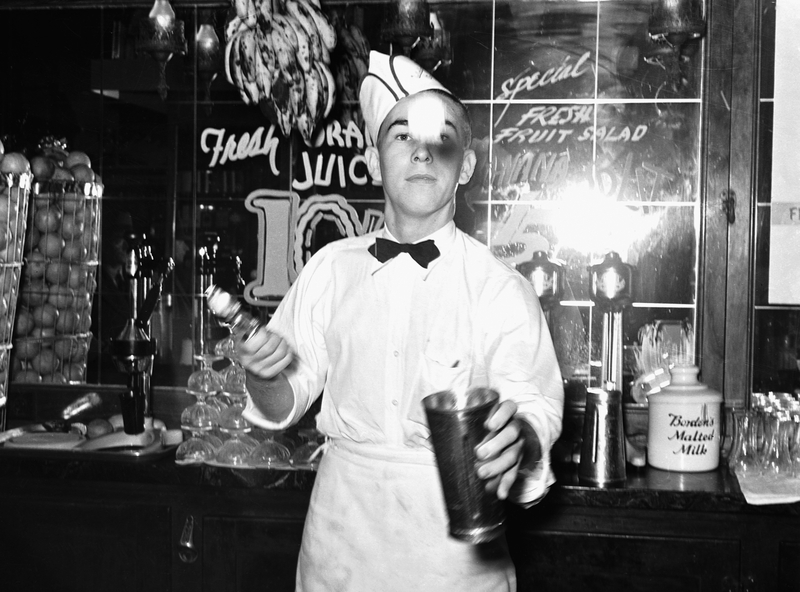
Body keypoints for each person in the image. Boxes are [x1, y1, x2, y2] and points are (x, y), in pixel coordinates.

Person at [236, 51, 564, 592]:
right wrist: (263, 374)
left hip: (455, 565)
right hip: (339, 553)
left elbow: (532, 410)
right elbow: (281, 403)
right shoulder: (329, 269)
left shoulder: (501, 288)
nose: (421, 153)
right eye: (402, 136)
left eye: (442, 139)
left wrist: (519, 441)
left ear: (469, 165)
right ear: (371, 160)